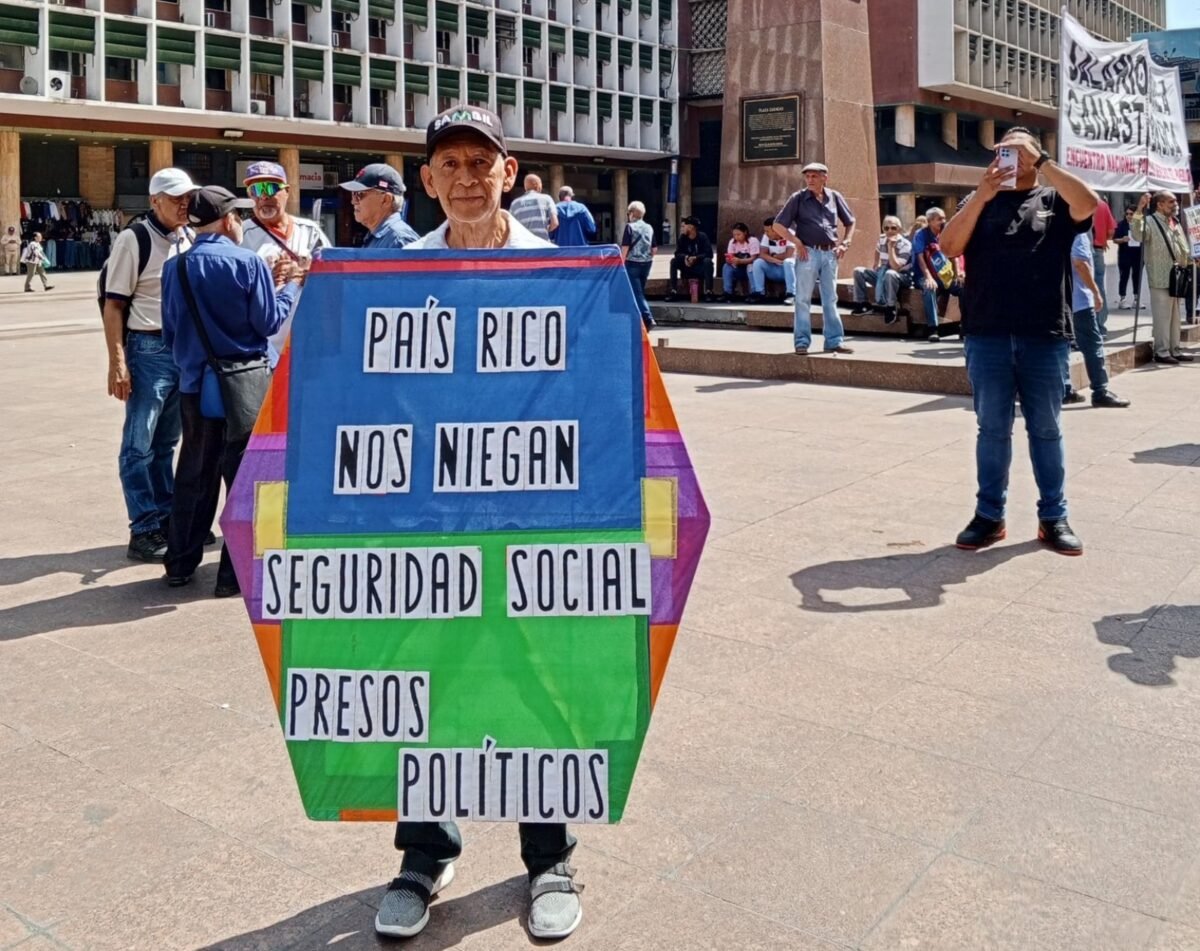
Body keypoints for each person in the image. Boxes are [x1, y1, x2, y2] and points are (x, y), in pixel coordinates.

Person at [381, 104, 583, 942]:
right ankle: (425, 853)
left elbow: (604, 387)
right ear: (427, 181)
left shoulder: (564, 272)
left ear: (510, 171)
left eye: (480, 162)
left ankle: (550, 854)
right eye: (449, 165)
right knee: (425, 679)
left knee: (537, 677)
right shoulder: (387, 276)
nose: (465, 177)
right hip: (430, 518)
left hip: (534, 513)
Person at [938, 126, 1098, 556]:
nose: (1010, 158)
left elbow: (1091, 205)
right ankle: (990, 516)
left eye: (1018, 150)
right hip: (987, 330)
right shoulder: (980, 201)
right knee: (991, 429)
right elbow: (948, 246)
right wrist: (980, 196)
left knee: (1046, 429)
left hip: (1043, 332)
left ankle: (1053, 517)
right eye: (1003, 150)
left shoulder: (1053, 199)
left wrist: (1042, 161)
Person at [160, 186, 300, 596]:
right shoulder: (247, 263)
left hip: (194, 385)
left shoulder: (177, 268)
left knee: (193, 474)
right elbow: (269, 322)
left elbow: (170, 331)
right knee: (246, 479)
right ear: (227, 219)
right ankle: (233, 574)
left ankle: (179, 562)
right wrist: (288, 286)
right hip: (245, 384)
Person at [103, 168, 196, 562]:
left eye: (187, 197)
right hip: (148, 349)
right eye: (175, 198)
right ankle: (142, 528)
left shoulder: (188, 237)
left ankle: (167, 516)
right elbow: (114, 303)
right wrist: (118, 362)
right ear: (154, 200)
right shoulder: (134, 238)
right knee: (137, 446)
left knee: (166, 444)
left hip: (181, 350)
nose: (183, 204)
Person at [240, 161, 332, 354]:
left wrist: (307, 273)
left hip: (307, 340)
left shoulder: (309, 231)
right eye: (256, 189)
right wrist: (266, 279)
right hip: (263, 346)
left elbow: (333, 275)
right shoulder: (241, 235)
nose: (264, 195)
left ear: (287, 191)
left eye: (271, 187)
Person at [772, 161, 856, 355]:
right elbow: (778, 225)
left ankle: (834, 341)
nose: (809, 180)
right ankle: (801, 342)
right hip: (807, 253)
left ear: (824, 178)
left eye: (814, 176)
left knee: (830, 299)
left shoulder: (835, 197)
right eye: (807, 176)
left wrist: (846, 242)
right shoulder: (798, 198)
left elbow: (850, 221)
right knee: (802, 299)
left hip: (830, 253)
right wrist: (797, 242)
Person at [1062, 230, 1130, 409]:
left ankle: (1064, 389)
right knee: (1093, 345)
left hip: (1060, 301)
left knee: (1063, 345)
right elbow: (1080, 263)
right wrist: (1095, 291)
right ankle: (1100, 391)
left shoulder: (1053, 227)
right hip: (1079, 301)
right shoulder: (1078, 234)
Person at [1131, 190, 1194, 365]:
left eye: (1176, 201)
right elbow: (1137, 234)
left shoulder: (1175, 222)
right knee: (1162, 317)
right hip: (1160, 278)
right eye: (1171, 201)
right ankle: (1161, 351)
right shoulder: (1150, 222)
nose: (1175, 204)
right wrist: (1139, 209)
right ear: (1159, 204)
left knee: (1175, 318)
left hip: (1177, 277)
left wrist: (1190, 261)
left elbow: (1183, 247)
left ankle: (1175, 349)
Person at [339, 162, 420, 249]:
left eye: (359, 194)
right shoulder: (378, 237)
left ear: (386, 200)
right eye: (353, 194)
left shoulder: (400, 240)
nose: (353, 201)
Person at [850, 215, 911, 323]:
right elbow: (877, 249)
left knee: (890, 273)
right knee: (858, 271)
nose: (890, 231)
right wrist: (875, 263)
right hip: (882, 274)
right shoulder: (882, 239)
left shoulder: (905, 244)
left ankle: (891, 307)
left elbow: (896, 267)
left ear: (899, 229)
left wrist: (891, 248)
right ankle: (863, 304)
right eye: (886, 228)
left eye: (893, 228)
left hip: (901, 277)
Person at [910, 207, 957, 343]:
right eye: (939, 219)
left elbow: (955, 254)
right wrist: (928, 277)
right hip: (924, 275)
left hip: (945, 276)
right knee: (929, 288)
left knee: (964, 289)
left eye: (944, 218)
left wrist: (958, 274)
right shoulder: (921, 234)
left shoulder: (946, 233)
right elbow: (920, 258)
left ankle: (965, 328)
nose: (943, 221)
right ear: (930, 221)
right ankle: (933, 329)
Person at [620, 199, 656, 329]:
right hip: (646, 263)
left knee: (637, 293)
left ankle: (648, 318)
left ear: (632, 214)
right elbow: (654, 249)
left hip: (632, 263)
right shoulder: (649, 227)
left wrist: (621, 263)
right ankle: (639, 318)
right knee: (640, 291)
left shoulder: (630, 227)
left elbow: (625, 248)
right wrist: (647, 257)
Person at [748, 216, 796, 305]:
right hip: (774, 267)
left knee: (788, 262)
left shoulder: (790, 234)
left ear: (776, 230)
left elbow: (788, 255)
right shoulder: (766, 236)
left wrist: (773, 255)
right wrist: (775, 260)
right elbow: (762, 254)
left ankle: (791, 294)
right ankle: (759, 293)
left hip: (789, 270)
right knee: (758, 262)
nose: (766, 234)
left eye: (768, 231)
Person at [665, 216, 714, 301]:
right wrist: (686, 257)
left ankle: (708, 291)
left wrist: (696, 258)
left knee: (708, 261)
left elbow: (709, 253)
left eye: (683, 226)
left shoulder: (702, 237)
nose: (681, 229)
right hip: (687, 267)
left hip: (699, 267)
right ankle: (673, 291)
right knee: (674, 261)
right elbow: (677, 253)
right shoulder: (682, 238)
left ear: (691, 227)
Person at [1091, 197, 1117, 333]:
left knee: (1081, 288)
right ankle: (1100, 326)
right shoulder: (1103, 205)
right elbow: (1111, 231)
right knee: (1099, 287)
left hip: (1081, 250)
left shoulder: (1079, 202)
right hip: (1098, 250)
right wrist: (1104, 239)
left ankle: (1088, 327)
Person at [508, 173, 559, 241]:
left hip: (522, 244)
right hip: (542, 243)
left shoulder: (515, 203)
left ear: (525, 187)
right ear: (537, 185)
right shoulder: (546, 199)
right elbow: (555, 223)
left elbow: (510, 226)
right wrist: (546, 230)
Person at [717, 222, 759, 302]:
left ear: (745, 232)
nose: (736, 237)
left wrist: (740, 261)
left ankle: (754, 293)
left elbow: (754, 258)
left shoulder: (753, 241)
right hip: (738, 268)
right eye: (734, 235)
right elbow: (730, 255)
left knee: (751, 266)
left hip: (750, 269)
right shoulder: (732, 242)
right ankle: (727, 292)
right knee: (726, 266)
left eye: (739, 234)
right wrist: (729, 260)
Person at [1113, 205, 1141, 309]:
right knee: (1124, 276)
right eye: (1127, 214)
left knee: (1137, 276)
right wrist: (1122, 239)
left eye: (1131, 214)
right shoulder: (1121, 225)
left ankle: (1136, 299)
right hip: (1125, 254)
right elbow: (1115, 239)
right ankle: (1122, 299)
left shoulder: (1140, 225)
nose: (1128, 216)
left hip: (1138, 254)